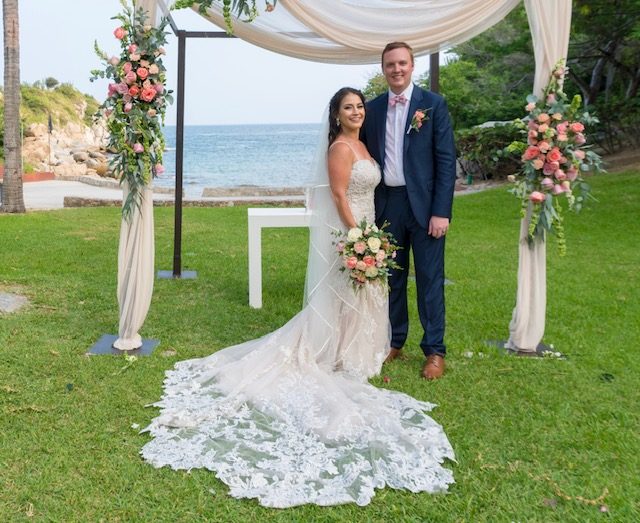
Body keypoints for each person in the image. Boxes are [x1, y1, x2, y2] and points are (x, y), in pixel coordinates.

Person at [141, 88, 454, 508]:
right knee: (346, 292)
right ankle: (336, 351)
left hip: (369, 226)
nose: (358, 112)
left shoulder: (364, 141)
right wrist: (358, 236)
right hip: (352, 229)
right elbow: (341, 195)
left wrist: (370, 233)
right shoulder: (341, 147)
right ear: (336, 114)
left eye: (360, 106)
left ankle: (360, 348)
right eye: (349, 107)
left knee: (365, 293)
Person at [361, 42, 457, 380]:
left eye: (402, 63)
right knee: (393, 279)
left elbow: (446, 162)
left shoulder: (433, 105)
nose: (396, 69)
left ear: (412, 66)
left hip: (427, 207)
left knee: (430, 279)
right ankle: (394, 340)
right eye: (390, 64)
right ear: (383, 68)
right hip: (388, 204)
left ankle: (434, 351)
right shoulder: (371, 109)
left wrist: (441, 211)